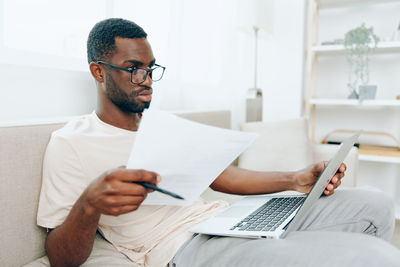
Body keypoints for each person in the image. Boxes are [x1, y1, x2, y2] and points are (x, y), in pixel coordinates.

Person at [35, 18, 400, 267]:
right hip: (185, 246)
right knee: (369, 257)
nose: (146, 79)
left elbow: (222, 178)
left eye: (151, 68)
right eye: (133, 68)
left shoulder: (161, 125)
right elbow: (60, 256)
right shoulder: (71, 142)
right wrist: (89, 205)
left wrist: (296, 179)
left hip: (222, 219)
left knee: (376, 204)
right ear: (98, 71)